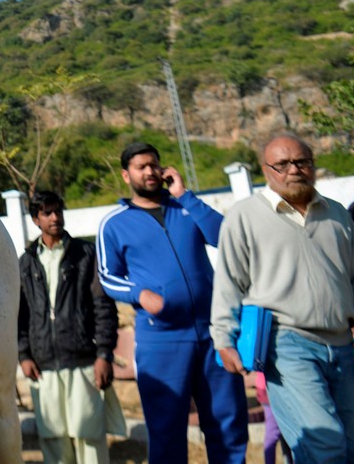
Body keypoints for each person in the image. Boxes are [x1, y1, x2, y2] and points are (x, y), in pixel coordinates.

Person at [211, 132, 354, 462]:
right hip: (286, 344)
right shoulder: (245, 216)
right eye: (282, 164)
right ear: (267, 170)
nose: (293, 169)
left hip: (341, 346)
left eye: (301, 161)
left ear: (313, 166)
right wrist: (223, 340)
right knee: (324, 445)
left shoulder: (337, 215)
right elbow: (228, 283)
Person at [96, 141, 248, 464]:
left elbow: (225, 237)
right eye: (141, 167)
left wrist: (185, 195)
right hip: (161, 341)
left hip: (214, 336)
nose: (150, 171)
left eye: (154, 164)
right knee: (167, 434)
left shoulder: (185, 208)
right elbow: (107, 277)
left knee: (228, 426)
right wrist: (139, 293)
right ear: (126, 175)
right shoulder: (114, 224)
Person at [19, 191, 120, 464]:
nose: (55, 217)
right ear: (36, 219)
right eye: (47, 212)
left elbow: (103, 306)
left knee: (90, 433)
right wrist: (24, 354)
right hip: (44, 365)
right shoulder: (26, 262)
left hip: (83, 358)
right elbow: (20, 313)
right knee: (52, 437)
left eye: (58, 211)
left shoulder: (85, 254)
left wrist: (104, 355)